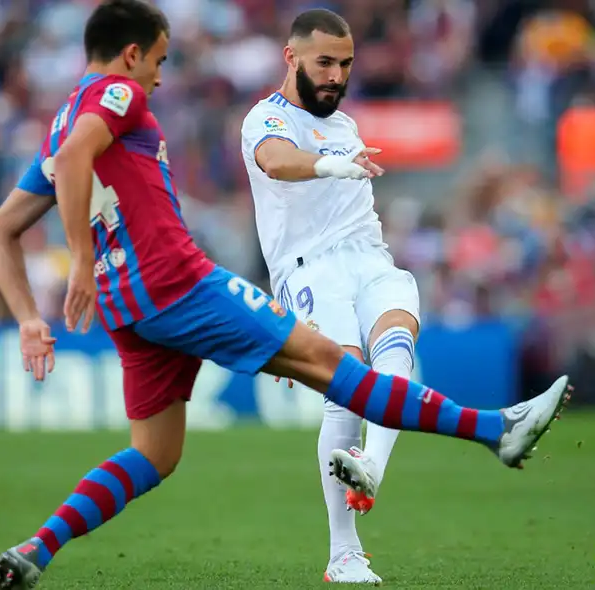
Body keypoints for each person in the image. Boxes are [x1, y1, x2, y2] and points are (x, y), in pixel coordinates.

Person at [0, 2, 571, 589]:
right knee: (336, 368)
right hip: (177, 282)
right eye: (158, 61)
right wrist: (80, 261)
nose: (159, 77)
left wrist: (29, 317)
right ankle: (496, 428)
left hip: (127, 307)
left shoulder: (57, 124)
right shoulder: (118, 95)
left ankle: (39, 546)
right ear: (132, 54)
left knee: (154, 454)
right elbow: (84, 153)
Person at [238, 8, 413, 583]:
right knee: (348, 382)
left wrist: (342, 157)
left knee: (398, 335)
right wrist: (333, 167)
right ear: (292, 58)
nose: (337, 75)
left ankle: (374, 467)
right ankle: (344, 554)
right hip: (308, 270)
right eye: (325, 62)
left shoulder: (346, 126)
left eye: (345, 64)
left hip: (370, 258)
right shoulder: (266, 119)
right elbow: (276, 162)